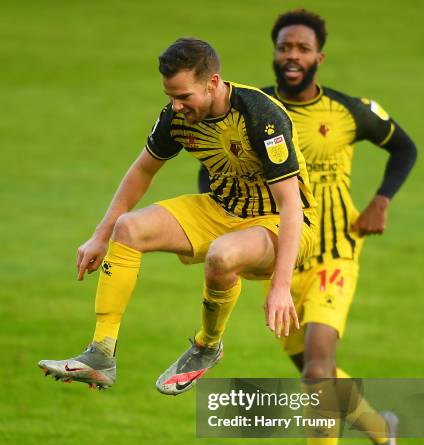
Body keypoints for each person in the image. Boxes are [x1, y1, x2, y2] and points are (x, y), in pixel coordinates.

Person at [198, 10, 417, 445]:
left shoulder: (347, 112)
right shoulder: (250, 113)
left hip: (335, 257)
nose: (291, 55)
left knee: (317, 374)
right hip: (278, 264)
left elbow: (404, 147)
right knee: (321, 381)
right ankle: (381, 431)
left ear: (320, 55)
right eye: (283, 47)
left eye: (302, 47)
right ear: (274, 53)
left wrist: (382, 200)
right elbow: (211, 174)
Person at [38, 37, 319, 398]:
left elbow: (291, 204)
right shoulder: (177, 118)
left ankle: (207, 345)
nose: (176, 105)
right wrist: (99, 235)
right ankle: (101, 354)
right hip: (222, 208)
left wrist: (280, 286)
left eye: (184, 96)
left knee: (222, 255)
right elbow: (141, 172)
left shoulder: (260, 115)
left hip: (281, 222)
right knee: (128, 228)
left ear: (213, 83)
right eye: (171, 96)